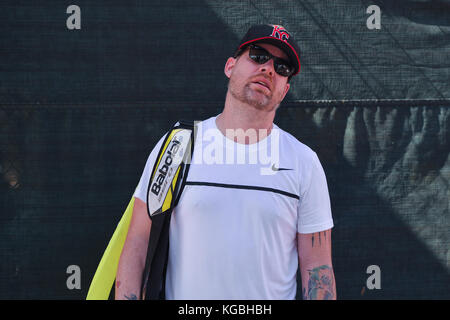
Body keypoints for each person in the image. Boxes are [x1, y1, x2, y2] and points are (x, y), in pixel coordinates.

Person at [115, 24, 335, 300]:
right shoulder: (178, 145)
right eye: (257, 55)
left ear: (285, 89)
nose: (268, 69)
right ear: (230, 66)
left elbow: (317, 267)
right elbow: (138, 242)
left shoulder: (304, 162)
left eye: (282, 68)